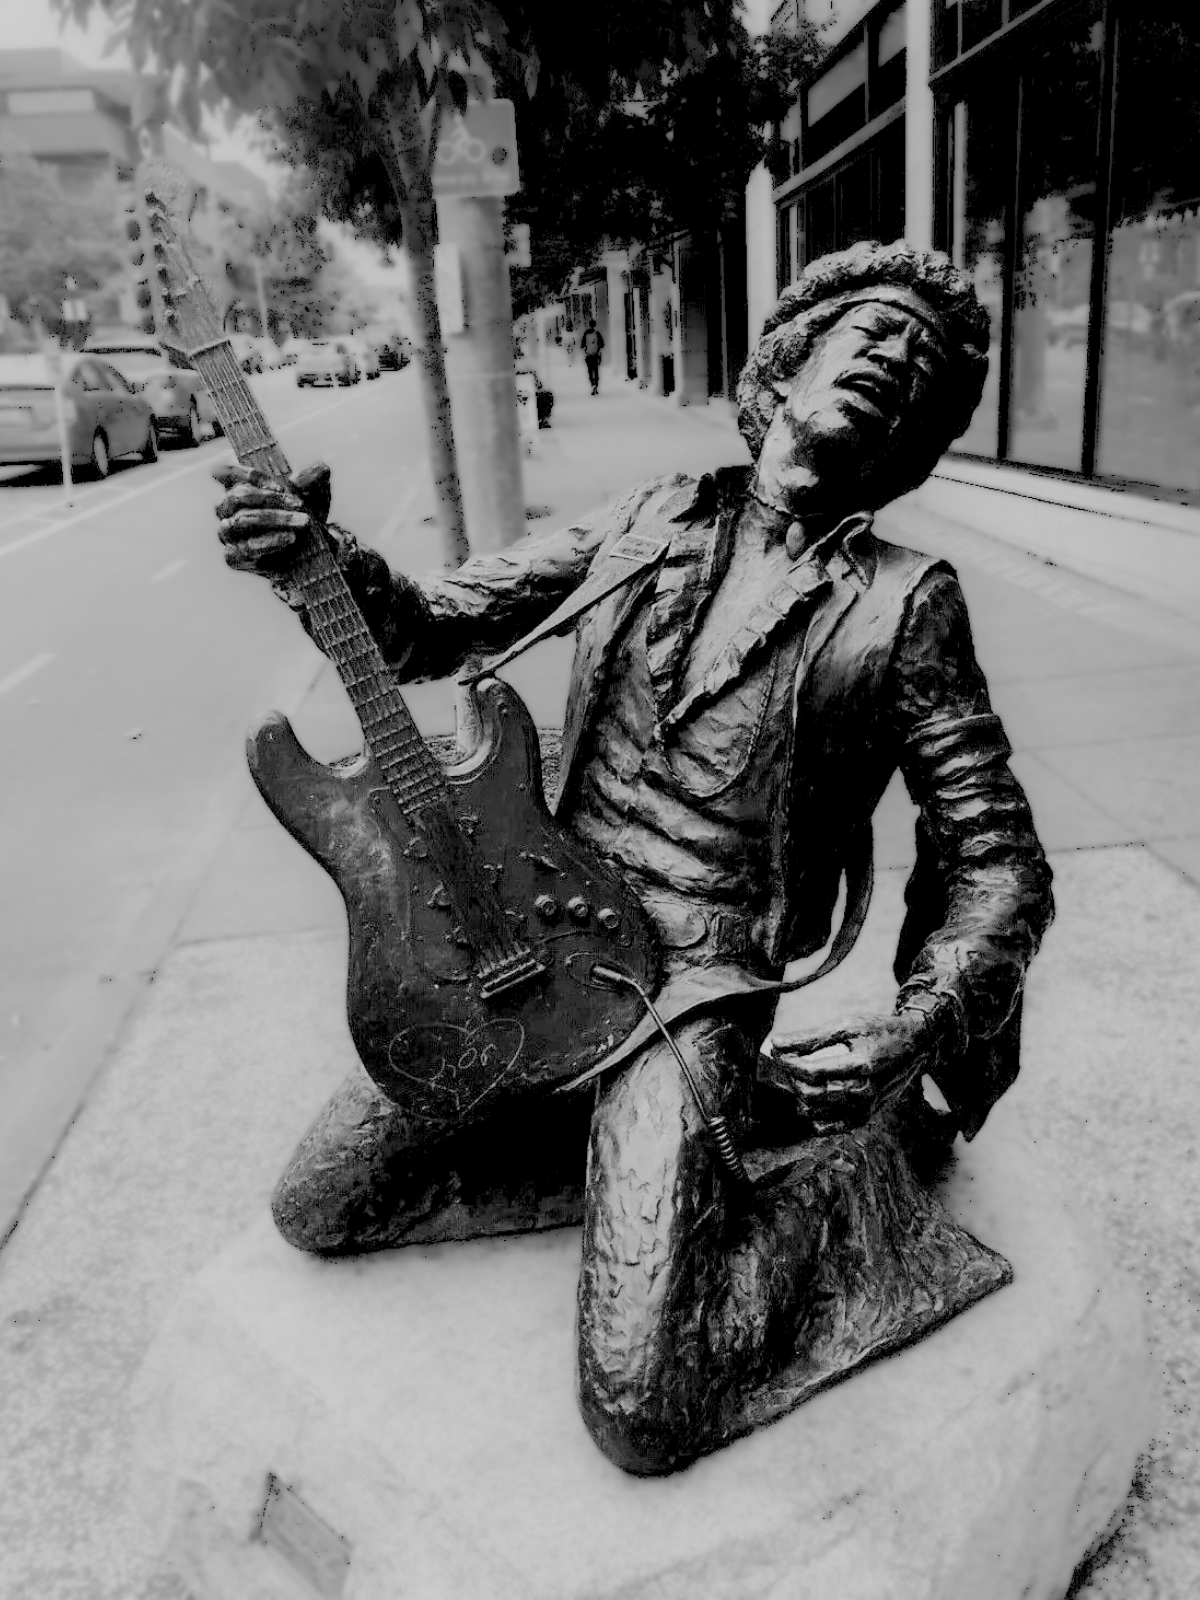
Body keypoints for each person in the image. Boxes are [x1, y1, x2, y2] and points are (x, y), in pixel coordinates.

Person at [213, 241, 1053, 1475]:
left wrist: (910, 1032)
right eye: (869, 330)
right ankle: (619, 1151)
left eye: (919, 368)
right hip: (534, 930)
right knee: (321, 1202)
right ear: (789, 359)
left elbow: (1002, 864)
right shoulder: (655, 515)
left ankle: (841, 1191)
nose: (892, 358)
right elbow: (435, 623)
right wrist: (318, 563)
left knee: (643, 1404)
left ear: (909, 440)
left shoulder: (904, 603)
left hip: (696, 982)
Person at [581, 317, 604, 394]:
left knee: (590, 371)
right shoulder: (597, 333)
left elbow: (582, 345)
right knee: (596, 370)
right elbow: (602, 344)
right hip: (596, 355)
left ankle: (592, 384)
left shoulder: (586, 333)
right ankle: (596, 385)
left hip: (588, 355)